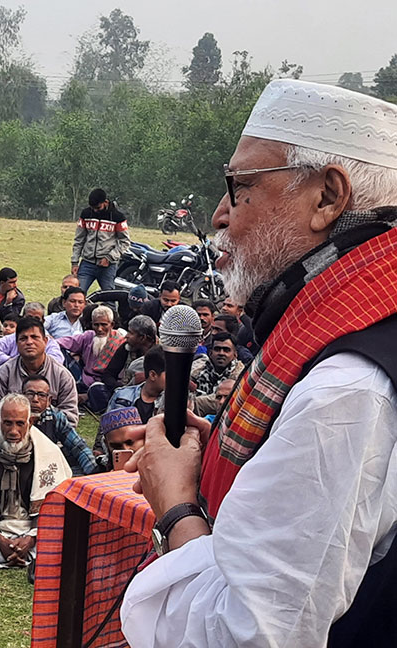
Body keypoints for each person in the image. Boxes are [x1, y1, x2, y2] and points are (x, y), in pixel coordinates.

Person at [117, 80, 397, 647]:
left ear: (327, 198)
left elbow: (250, 634)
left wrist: (176, 506)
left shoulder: (347, 387)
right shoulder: (354, 318)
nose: (220, 215)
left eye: (240, 187)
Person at [0, 394, 71, 568]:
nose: (13, 431)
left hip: (35, 529)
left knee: (68, 539)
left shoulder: (49, 454)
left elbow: (54, 507)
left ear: (30, 422)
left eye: (20, 423)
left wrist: (31, 538)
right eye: (8, 423)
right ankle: (19, 555)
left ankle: (16, 554)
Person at [0, 317, 80, 426]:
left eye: (34, 337)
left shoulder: (62, 375)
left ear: (45, 341)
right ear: (16, 343)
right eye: (23, 338)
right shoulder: (4, 372)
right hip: (10, 435)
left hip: (49, 438)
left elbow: (70, 416)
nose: (29, 342)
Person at [22, 375, 97, 476]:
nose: (35, 399)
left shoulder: (56, 417)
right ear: (21, 397)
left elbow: (78, 447)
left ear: (49, 400)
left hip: (49, 469)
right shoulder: (13, 418)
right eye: (30, 394)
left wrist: (95, 472)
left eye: (41, 395)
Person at [86, 314, 158, 413]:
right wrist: (123, 389)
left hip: (153, 397)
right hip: (126, 391)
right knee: (97, 389)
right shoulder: (126, 347)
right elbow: (108, 374)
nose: (126, 336)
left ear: (142, 337)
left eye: (131, 333)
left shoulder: (161, 352)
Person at [70, 188, 130, 291]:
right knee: (78, 294)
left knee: (109, 298)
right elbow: (79, 239)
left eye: (98, 207)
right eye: (92, 207)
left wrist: (109, 257)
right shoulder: (86, 214)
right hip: (87, 263)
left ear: (106, 202)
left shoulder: (117, 217)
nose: (95, 210)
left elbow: (125, 242)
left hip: (108, 266)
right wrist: (75, 262)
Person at [56, 304, 122, 388]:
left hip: (105, 384)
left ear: (112, 325)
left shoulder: (120, 342)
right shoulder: (88, 336)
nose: (99, 329)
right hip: (83, 378)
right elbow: (60, 342)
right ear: (92, 324)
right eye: (96, 325)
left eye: (104, 325)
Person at [107, 345, 165, 423]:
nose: (175, 380)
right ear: (153, 375)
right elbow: (106, 431)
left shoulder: (173, 402)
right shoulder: (122, 395)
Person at [190, 331, 244, 398]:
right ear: (210, 353)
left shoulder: (241, 377)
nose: (221, 353)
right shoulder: (197, 372)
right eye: (217, 349)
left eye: (226, 350)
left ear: (235, 354)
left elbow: (220, 402)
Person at [97, 406, 145, 471]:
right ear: (106, 444)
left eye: (130, 443)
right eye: (117, 446)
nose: (125, 449)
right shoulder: (100, 472)